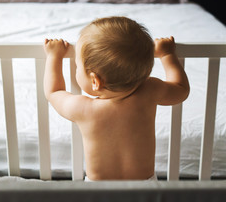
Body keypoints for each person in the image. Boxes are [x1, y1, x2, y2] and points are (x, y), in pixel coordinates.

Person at [43, 16, 189, 181]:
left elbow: (54, 92)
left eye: (78, 66)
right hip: (144, 188)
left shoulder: (82, 109)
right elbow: (181, 89)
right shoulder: (150, 90)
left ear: (95, 81)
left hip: (100, 192)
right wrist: (167, 55)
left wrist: (54, 57)